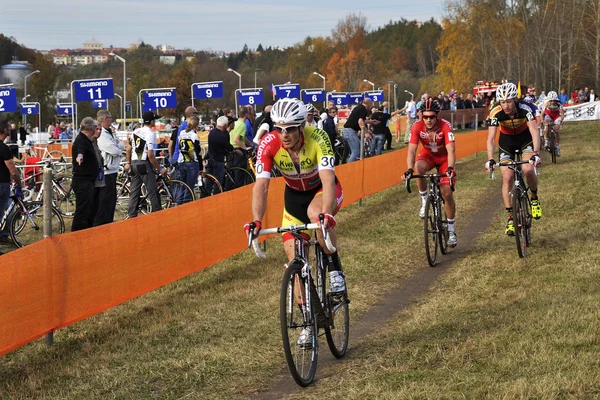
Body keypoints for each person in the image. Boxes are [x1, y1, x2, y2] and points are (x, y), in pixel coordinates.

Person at [244, 98, 345, 347]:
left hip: (323, 190)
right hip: (294, 199)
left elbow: (328, 178)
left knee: (315, 214)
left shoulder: (318, 137)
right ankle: (308, 322)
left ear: (302, 127)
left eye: (290, 128)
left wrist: (328, 214)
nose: (284, 134)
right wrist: (256, 221)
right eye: (279, 128)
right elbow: (262, 185)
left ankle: (334, 268)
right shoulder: (269, 144)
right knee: (295, 261)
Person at [485, 82, 542, 236]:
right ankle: (510, 218)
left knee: (528, 169)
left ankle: (534, 198)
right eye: (503, 102)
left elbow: (534, 131)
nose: (506, 105)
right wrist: (490, 159)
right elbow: (490, 139)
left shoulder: (525, 109)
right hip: (507, 143)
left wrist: (536, 152)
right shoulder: (496, 112)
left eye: (509, 101)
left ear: (515, 100)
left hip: (525, 140)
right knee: (507, 177)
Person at [402, 99, 458, 247]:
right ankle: (425, 200)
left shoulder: (445, 126)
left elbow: (451, 150)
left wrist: (451, 168)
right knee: (418, 168)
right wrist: (409, 169)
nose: (428, 120)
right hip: (428, 156)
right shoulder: (416, 126)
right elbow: (412, 150)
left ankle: (451, 230)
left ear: (437, 116)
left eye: (431, 117)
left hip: (445, 158)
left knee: (446, 193)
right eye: (424, 117)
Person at [127, 112, 167, 218]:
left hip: (134, 163)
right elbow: (150, 154)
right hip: (143, 163)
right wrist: (160, 169)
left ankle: (131, 216)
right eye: (155, 120)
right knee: (152, 190)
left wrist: (128, 162)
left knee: (134, 191)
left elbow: (129, 148)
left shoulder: (135, 131)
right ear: (151, 121)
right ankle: (157, 215)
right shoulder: (150, 133)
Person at [94, 110, 126, 226]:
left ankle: (108, 221)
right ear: (104, 119)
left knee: (112, 199)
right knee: (105, 199)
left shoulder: (110, 132)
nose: (111, 120)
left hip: (113, 169)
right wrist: (119, 149)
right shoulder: (102, 134)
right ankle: (101, 223)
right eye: (110, 118)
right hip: (106, 171)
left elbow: (120, 143)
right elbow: (113, 150)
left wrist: (118, 147)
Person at [71, 117, 101, 232]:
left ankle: (86, 232)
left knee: (88, 210)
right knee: (82, 211)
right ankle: (77, 235)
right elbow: (80, 150)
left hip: (88, 180)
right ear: (92, 128)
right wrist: (80, 156)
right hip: (83, 181)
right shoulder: (82, 140)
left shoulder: (86, 140)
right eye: (95, 127)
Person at [0, 118, 24, 247]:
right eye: (9, 127)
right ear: (5, 130)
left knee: (10, 209)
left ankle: (4, 235)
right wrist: (20, 184)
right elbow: (13, 171)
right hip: (2, 185)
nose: (11, 129)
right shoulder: (4, 148)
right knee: (4, 212)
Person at [206, 116, 234, 195]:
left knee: (209, 179)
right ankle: (216, 196)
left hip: (210, 158)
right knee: (218, 180)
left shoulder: (212, 132)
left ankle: (205, 196)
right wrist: (234, 150)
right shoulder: (222, 135)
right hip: (218, 159)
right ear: (225, 125)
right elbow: (228, 146)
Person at [177, 115, 202, 198]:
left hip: (181, 161)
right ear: (196, 125)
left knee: (182, 186)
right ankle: (186, 205)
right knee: (189, 188)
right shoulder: (194, 136)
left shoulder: (181, 133)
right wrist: (201, 166)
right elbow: (198, 152)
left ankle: (179, 203)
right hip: (191, 162)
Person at [343, 97, 374, 162]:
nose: (371, 107)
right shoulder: (363, 110)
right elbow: (360, 122)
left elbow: (361, 120)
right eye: (371, 105)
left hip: (348, 131)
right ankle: (349, 168)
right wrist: (366, 133)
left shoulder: (358, 107)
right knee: (356, 151)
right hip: (350, 131)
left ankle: (355, 165)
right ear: (368, 104)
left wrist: (371, 121)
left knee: (359, 149)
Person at [539, 91, 565, 156]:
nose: (552, 102)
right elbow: (542, 114)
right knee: (547, 125)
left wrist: (561, 120)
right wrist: (542, 121)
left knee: (556, 130)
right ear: (549, 100)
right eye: (551, 100)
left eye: (554, 100)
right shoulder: (545, 104)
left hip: (556, 116)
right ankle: (546, 140)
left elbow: (562, 114)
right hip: (548, 115)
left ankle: (557, 146)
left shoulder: (559, 104)